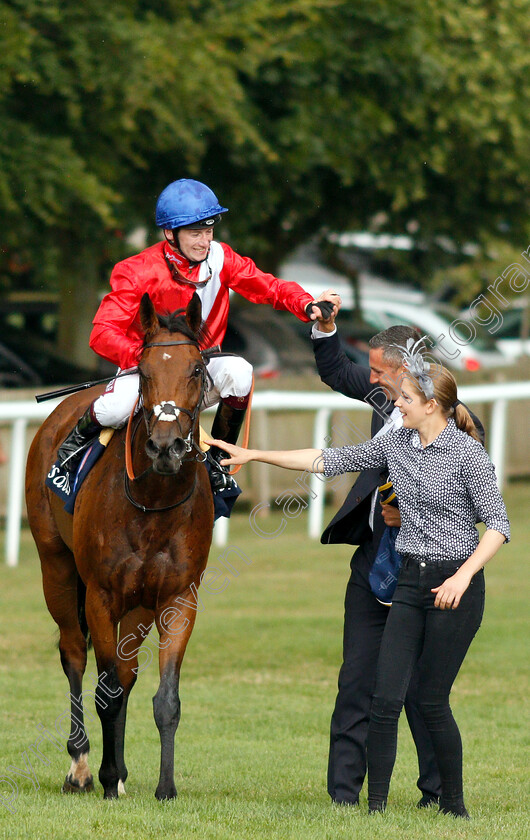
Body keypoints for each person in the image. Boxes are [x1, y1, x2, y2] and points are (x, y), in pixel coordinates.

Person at [207, 354, 510, 819]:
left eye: (406, 399)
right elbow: (327, 460)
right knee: (385, 699)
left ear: (431, 405)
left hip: (454, 588)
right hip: (409, 580)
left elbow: (497, 526)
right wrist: (253, 455)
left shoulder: (469, 455)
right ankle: (374, 812)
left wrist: (463, 576)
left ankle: (453, 806)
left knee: (430, 701)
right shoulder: (397, 446)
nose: (398, 406)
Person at [57, 178, 339, 493]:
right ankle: (71, 448)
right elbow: (102, 333)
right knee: (114, 408)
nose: (204, 242)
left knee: (239, 371)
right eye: (195, 233)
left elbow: (268, 286)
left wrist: (305, 302)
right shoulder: (136, 270)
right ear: (169, 233)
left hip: (200, 368)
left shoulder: (222, 258)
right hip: (150, 369)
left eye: (208, 231)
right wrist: (147, 358)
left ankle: (218, 463)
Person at [310, 315, 477, 807]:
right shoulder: (386, 396)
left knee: (422, 694)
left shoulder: (451, 418)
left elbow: (469, 500)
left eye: (379, 372)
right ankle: (344, 796)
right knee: (357, 680)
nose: (372, 381)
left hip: (428, 572)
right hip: (373, 564)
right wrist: (323, 328)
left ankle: (438, 793)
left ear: (407, 369)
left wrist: (409, 511)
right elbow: (337, 372)